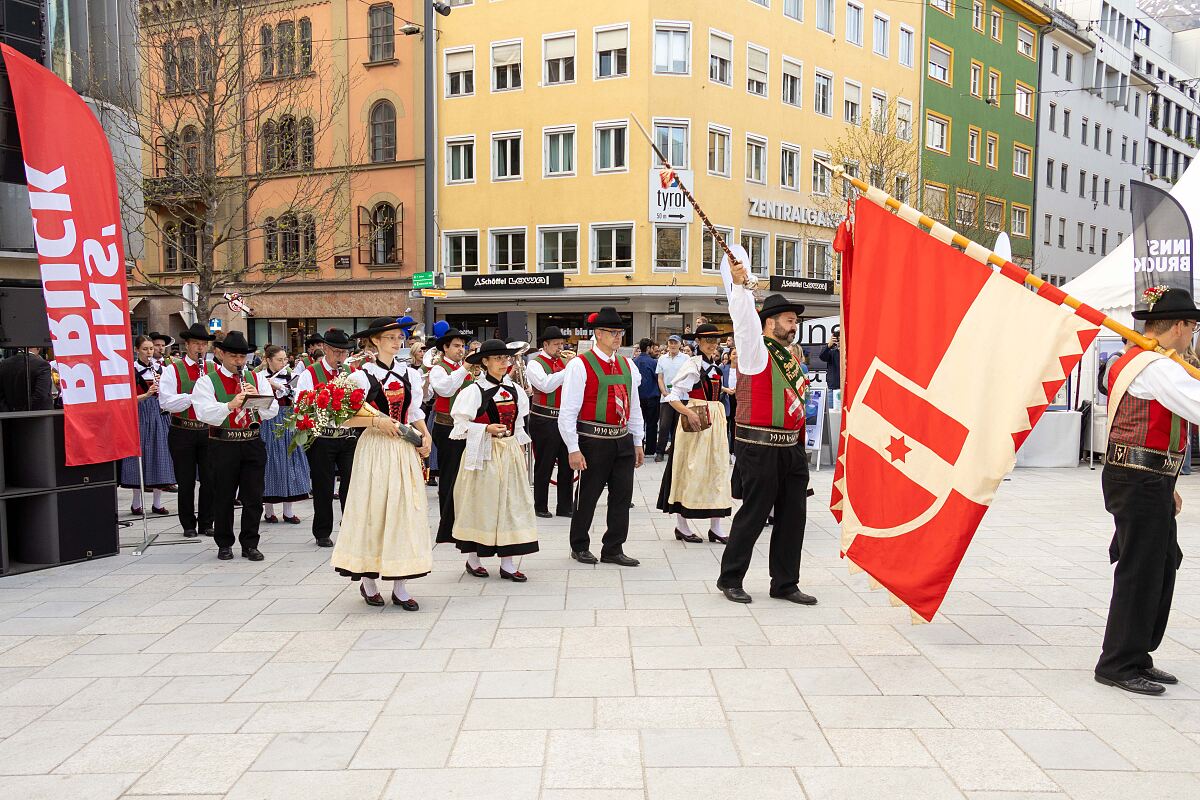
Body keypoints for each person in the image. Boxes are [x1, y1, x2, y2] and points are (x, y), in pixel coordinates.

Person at [1094, 288, 1200, 695]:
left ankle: (1136, 654)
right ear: (1180, 326)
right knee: (1141, 568)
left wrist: (1169, 483)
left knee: (1162, 562)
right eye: (1192, 327)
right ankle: (1118, 663)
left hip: (1146, 476)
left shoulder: (1138, 359)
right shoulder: (1155, 366)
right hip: (1138, 478)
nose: (1191, 336)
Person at [718, 247, 816, 606]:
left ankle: (785, 583)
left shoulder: (790, 357)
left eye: (795, 321)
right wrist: (740, 286)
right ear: (769, 322)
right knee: (753, 515)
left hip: (790, 448)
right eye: (789, 320)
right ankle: (730, 578)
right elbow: (744, 321)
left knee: (793, 518)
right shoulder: (755, 350)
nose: (794, 326)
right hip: (759, 447)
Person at [332, 317, 433, 610]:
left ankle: (401, 585)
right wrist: (376, 421)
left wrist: (425, 436)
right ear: (375, 341)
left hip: (403, 448)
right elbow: (343, 418)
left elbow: (415, 411)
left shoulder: (409, 373)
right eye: (390, 337)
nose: (397, 341)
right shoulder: (361, 376)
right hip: (375, 448)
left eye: (399, 337)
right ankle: (368, 581)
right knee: (373, 511)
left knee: (404, 512)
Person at [558, 307, 645, 567]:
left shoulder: (628, 364)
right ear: (598, 333)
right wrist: (573, 448)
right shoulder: (579, 364)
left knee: (622, 496)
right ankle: (579, 545)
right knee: (588, 495)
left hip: (622, 438)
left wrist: (638, 441)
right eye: (612, 332)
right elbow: (568, 410)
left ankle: (613, 548)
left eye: (620, 332)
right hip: (592, 439)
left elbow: (634, 406)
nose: (618, 337)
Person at [451, 339, 538, 580]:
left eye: (505, 358)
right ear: (485, 362)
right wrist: (486, 429)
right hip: (484, 454)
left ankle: (508, 563)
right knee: (481, 504)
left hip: (508, 452)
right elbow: (460, 426)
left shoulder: (515, 390)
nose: (503, 362)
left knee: (511, 505)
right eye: (498, 358)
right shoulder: (473, 391)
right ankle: (473, 559)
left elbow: (519, 426)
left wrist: (520, 452)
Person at [190, 331, 279, 561]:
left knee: (254, 497)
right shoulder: (207, 381)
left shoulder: (256, 379)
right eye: (234, 356)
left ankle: (250, 544)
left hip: (252, 441)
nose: (239, 362)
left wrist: (257, 399)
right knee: (223, 496)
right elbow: (203, 413)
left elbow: (272, 410)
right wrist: (229, 405)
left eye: (242, 357)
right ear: (221, 354)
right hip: (223, 444)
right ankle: (224, 543)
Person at [656, 323, 732, 544]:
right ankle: (682, 525)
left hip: (715, 422)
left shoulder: (716, 367)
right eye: (707, 340)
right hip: (696, 422)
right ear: (697, 342)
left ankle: (716, 527)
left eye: (715, 340)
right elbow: (673, 396)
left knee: (717, 470)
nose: (712, 344)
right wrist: (689, 413)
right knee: (690, 470)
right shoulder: (692, 366)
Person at [294, 329, 358, 548]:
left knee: (351, 484)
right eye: (337, 352)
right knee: (323, 486)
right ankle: (322, 532)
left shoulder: (351, 371)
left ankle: (351, 530)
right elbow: (300, 404)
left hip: (347, 436)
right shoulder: (309, 374)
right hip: (322, 438)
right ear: (326, 349)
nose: (341, 357)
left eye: (344, 353)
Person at [158, 323, 217, 538]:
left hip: (208, 430)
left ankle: (207, 522)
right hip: (183, 430)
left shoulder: (213, 368)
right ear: (187, 345)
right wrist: (194, 396)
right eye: (196, 344)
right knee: (186, 480)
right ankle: (188, 524)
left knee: (210, 479)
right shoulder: (173, 369)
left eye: (204, 344)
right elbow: (166, 402)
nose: (200, 348)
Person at [119, 336, 175, 515]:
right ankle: (136, 503)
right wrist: (147, 394)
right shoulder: (131, 370)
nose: (149, 352)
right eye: (145, 349)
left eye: (151, 349)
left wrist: (161, 388)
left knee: (160, 453)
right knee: (138, 454)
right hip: (140, 413)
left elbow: (170, 394)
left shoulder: (161, 369)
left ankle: (157, 503)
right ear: (136, 350)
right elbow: (126, 399)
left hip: (158, 413)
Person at [429, 325, 474, 544]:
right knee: (449, 476)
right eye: (456, 346)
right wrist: (465, 368)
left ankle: (464, 520)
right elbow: (445, 390)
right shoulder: (439, 369)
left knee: (467, 475)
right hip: (446, 427)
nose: (461, 349)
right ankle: (447, 525)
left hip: (468, 427)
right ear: (445, 348)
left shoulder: (466, 369)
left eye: (462, 346)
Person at [526, 326, 576, 519]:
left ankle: (565, 506)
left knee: (567, 464)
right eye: (556, 344)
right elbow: (545, 385)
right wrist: (568, 369)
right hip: (544, 419)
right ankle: (540, 505)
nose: (560, 347)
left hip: (564, 418)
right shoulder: (534, 364)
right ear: (545, 345)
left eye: (561, 344)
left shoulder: (564, 362)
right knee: (544, 463)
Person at [258, 344, 310, 524]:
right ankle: (269, 511)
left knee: (290, 461)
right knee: (270, 461)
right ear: (268, 360)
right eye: (279, 360)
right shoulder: (259, 377)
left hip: (288, 419)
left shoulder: (292, 376)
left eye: (285, 359)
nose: (283, 363)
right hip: (268, 420)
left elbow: (298, 396)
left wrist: (280, 386)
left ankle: (288, 511)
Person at [655, 335, 689, 462]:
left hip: (682, 397)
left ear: (680, 344)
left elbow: (688, 377)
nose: (673, 345)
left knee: (678, 426)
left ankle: (675, 451)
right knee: (664, 426)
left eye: (675, 343)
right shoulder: (662, 359)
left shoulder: (686, 358)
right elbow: (660, 378)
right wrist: (664, 392)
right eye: (671, 343)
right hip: (666, 397)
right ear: (668, 344)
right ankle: (660, 452)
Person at [0, 346, 53, 412]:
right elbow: (41, 395)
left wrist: (9, 413)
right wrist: (26, 412)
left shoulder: (4, 364)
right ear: (38, 348)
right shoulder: (42, 365)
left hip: (10, 415)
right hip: (38, 415)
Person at [634, 339, 661, 457]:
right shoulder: (653, 362)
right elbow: (658, 378)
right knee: (652, 424)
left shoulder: (634, 361)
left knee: (639, 423)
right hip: (652, 396)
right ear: (649, 348)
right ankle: (650, 449)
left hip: (638, 397)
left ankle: (639, 445)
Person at [819, 332, 841, 403]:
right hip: (833, 388)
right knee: (831, 409)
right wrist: (828, 345)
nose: (838, 341)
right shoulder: (832, 352)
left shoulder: (850, 352)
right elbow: (822, 356)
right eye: (837, 339)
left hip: (847, 388)